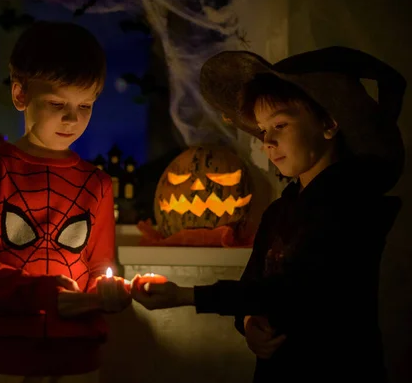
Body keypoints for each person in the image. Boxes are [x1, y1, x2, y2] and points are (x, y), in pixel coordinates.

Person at [131, 46, 406, 383]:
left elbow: (296, 292)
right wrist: (248, 320)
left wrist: (186, 295)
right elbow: (255, 285)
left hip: (337, 369)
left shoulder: (353, 207)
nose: (267, 142)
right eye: (262, 130)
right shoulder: (280, 210)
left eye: (280, 125)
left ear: (329, 122)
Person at [0, 21, 131, 383]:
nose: (72, 118)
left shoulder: (98, 184)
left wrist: (110, 293)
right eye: (57, 103)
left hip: (76, 353)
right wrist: (36, 292)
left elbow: (101, 265)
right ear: (21, 94)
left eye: (85, 105)